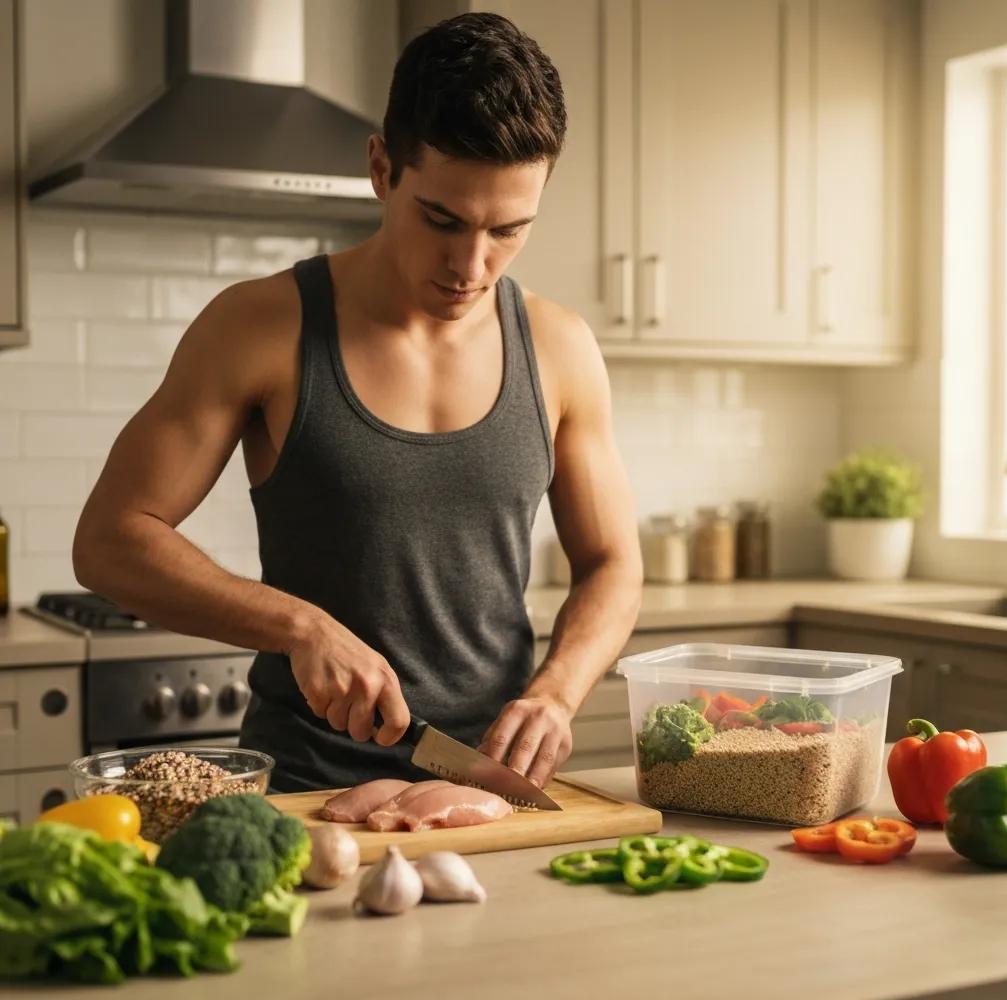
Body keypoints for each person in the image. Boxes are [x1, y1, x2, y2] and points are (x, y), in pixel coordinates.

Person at [73, 13, 642, 793]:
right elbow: (109, 540)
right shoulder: (260, 326)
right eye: (441, 220)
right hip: (308, 792)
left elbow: (614, 564)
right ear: (381, 168)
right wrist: (296, 624)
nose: (471, 266)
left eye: (508, 230)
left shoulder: (561, 346)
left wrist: (556, 692)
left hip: (485, 793)